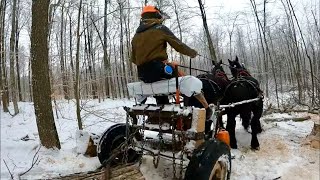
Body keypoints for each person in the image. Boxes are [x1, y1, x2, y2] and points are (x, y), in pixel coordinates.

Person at [130, 5, 212, 119]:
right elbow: (179, 46)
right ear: (156, 15)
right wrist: (193, 53)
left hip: (142, 74)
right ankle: (206, 108)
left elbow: (133, 59)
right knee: (184, 78)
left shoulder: (136, 36)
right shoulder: (160, 28)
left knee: (160, 82)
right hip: (158, 70)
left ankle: (163, 108)